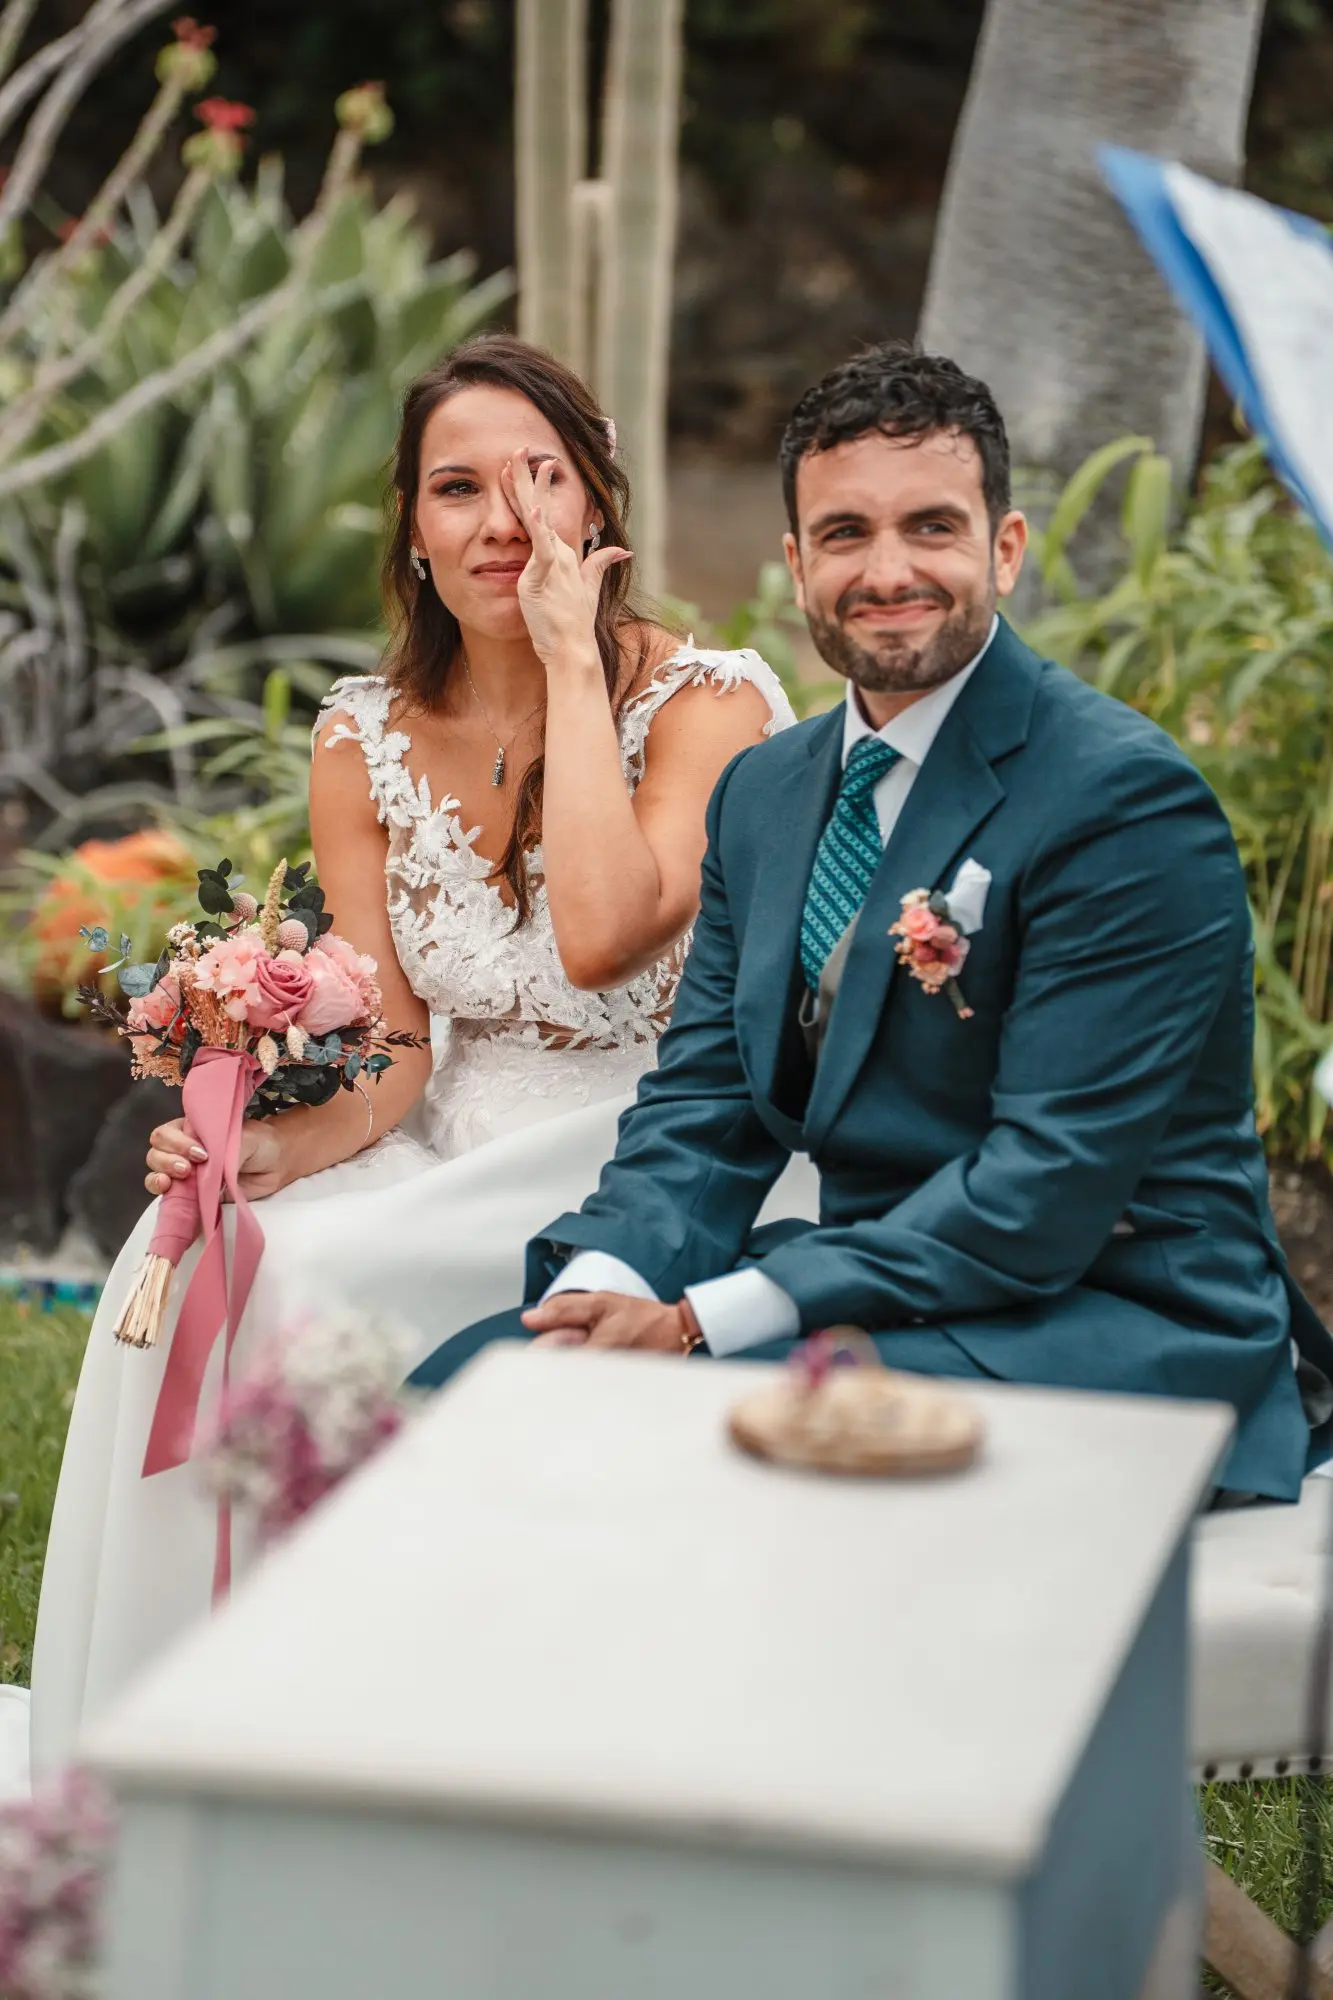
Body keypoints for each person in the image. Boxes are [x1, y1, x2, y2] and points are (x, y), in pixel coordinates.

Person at [28, 335, 807, 1774]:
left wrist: (575, 662)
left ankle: (378, 1732)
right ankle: (178, 1740)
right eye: (458, 488)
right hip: (448, 1130)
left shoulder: (709, 707)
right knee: (190, 1242)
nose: (502, 522)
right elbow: (390, 1039)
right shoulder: (362, 738)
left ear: (599, 504)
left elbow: (601, 934)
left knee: (323, 1285)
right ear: (411, 531)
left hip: (658, 1146)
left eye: (539, 478)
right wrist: (270, 1147)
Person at [414, 340, 1333, 1506]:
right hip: (875, 1293)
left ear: (1004, 547)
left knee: (692, 1456)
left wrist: (703, 1321)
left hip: (1110, 1315)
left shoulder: (1121, 800)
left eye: (932, 528)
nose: (887, 570)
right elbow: (704, 1108)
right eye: (845, 534)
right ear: (796, 566)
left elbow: (1045, 1183)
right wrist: (598, 1294)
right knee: (461, 1391)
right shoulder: (766, 790)